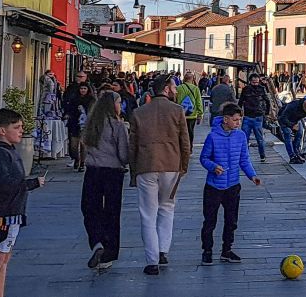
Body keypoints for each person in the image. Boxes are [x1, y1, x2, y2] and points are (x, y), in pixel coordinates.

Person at [130, 78, 192, 276]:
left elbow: (133, 146)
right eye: (174, 87)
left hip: (146, 165)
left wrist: (133, 172)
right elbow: (185, 142)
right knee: (167, 208)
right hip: (171, 166)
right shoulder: (177, 111)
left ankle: (152, 261)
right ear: (166, 89)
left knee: (148, 214)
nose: (176, 90)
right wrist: (184, 167)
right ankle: (163, 250)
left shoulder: (139, 113)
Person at [0, 108, 45, 297]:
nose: (20, 131)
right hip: (5, 213)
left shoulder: (7, 151)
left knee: (4, 258)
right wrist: (31, 184)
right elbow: (4, 183)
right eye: (16, 127)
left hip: (12, 211)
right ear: (2, 130)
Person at [200, 104, 261, 265]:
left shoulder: (240, 136)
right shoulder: (212, 137)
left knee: (231, 220)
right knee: (210, 221)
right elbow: (204, 158)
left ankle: (227, 250)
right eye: (235, 120)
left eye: (239, 119)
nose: (238, 123)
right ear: (225, 119)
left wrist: (252, 175)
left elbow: (244, 159)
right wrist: (214, 167)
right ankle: (207, 250)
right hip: (214, 186)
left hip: (233, 184)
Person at [80, 91, 129, 270]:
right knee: (112, 212)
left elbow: (84, 146)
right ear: (112, 105)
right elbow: (124, 154)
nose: (120, 106)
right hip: (113, 173)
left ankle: (96, 242)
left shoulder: (91, 124)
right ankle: (109, 254)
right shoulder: (117, 125)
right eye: (119, 102)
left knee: (90, 208)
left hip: (93, 171)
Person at [239, 75, 273, 162]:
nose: (255, 84)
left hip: (258, 116)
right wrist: (239, 114)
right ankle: (245, 157)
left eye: (257, 82)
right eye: (254, 82)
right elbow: (240, 102)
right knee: (244, 138)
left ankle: (262, 156)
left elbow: (267, 101)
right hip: (248, 116)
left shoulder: (261, 88)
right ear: (250, 81)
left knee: (260, 139)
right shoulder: (246, 89)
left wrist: (266, 113)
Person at [65, 84, 95, 171]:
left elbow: (92, 111)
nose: (83, 90)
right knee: (73, 145)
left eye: (85, 88)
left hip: (86, 124)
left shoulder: (91, 100)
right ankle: (76, 159)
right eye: (81, 88)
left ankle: (82, 163)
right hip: (75, 123)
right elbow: (69, 109)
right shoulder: (74, 99)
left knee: (83, 145)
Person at [276, 97, 306, 164]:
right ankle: (292, 157)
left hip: (295, 120)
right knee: (288, 135)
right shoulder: (292, 106)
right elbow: (282, 118)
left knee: (299, 134)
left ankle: (297, 153)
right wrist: (292, 126)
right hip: (284, 120)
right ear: (303, 107)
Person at [177, 77, 204, 142]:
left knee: (181, 132)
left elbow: (175, 100)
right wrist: (200, 114)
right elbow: (199, 102)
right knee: (190, 132)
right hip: (192, 114)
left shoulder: (179, 88)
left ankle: (182, 146)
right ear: (192, 79)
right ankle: (190, 147)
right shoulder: (195, 88)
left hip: (181, 114)